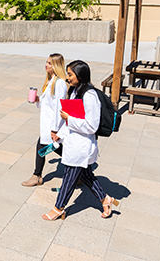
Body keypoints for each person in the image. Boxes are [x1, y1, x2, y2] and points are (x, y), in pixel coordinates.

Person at [42, 60, 119, 220]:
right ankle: (106, 199)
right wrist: (60, 133)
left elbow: (91, 126)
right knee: (86, 176)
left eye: (70, 74)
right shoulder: (77, 91)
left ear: (80, 75)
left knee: (69, 178)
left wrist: (68, 118)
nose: (68, 78)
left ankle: (59, 208)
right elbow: (71, 119)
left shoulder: (90, 96)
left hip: (81, 146)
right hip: (73, 142)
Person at [22, 53, 68, 187]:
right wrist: (38, 99)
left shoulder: (59, 83)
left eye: (49, 63)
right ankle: (80, 172)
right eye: (46, 62)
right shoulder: (51, 80)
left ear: (56, 65)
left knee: (45, 146)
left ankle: (37, 176)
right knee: (56, 148)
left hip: (52, 124)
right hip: (48, 123)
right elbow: (49, 100)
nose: (46, 65)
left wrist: (54, 128)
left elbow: (59, 106)